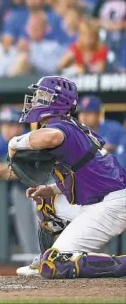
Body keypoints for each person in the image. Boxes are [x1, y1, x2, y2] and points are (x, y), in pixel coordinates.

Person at [8, 75, 126, 279]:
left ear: (58, 101)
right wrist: (52, 189)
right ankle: (45, 256)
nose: (36, 100)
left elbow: (53, 137)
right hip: (98, 199)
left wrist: (15, 142)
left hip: (112, 204)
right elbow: (82, 174)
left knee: (57, 265)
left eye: (43, 96)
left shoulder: (61, 127)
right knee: (47, 202)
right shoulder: (66, 124)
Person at [0, 106, 39, 256]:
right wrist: (11, 169)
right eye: (4, 125)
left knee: (43, 229)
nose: (7, 129)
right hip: (20, 191)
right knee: (26, 233)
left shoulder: (30, 139)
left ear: (19, 126)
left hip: (40, 190)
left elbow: (30, 172)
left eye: (11, 125)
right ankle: (31, 262)